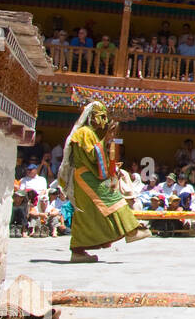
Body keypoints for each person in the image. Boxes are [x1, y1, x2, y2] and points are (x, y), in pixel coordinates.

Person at [57, 101, 149, 261]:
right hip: (86, 177)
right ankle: (131, 229)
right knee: (113, 198)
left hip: (89, 176)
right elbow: (94, 155)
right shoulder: (84, 133)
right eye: (102, 117)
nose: (104, 121)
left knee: (86, 214)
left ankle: (78, 251)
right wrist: (107, 139)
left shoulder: (91, 134)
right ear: (92, 117)